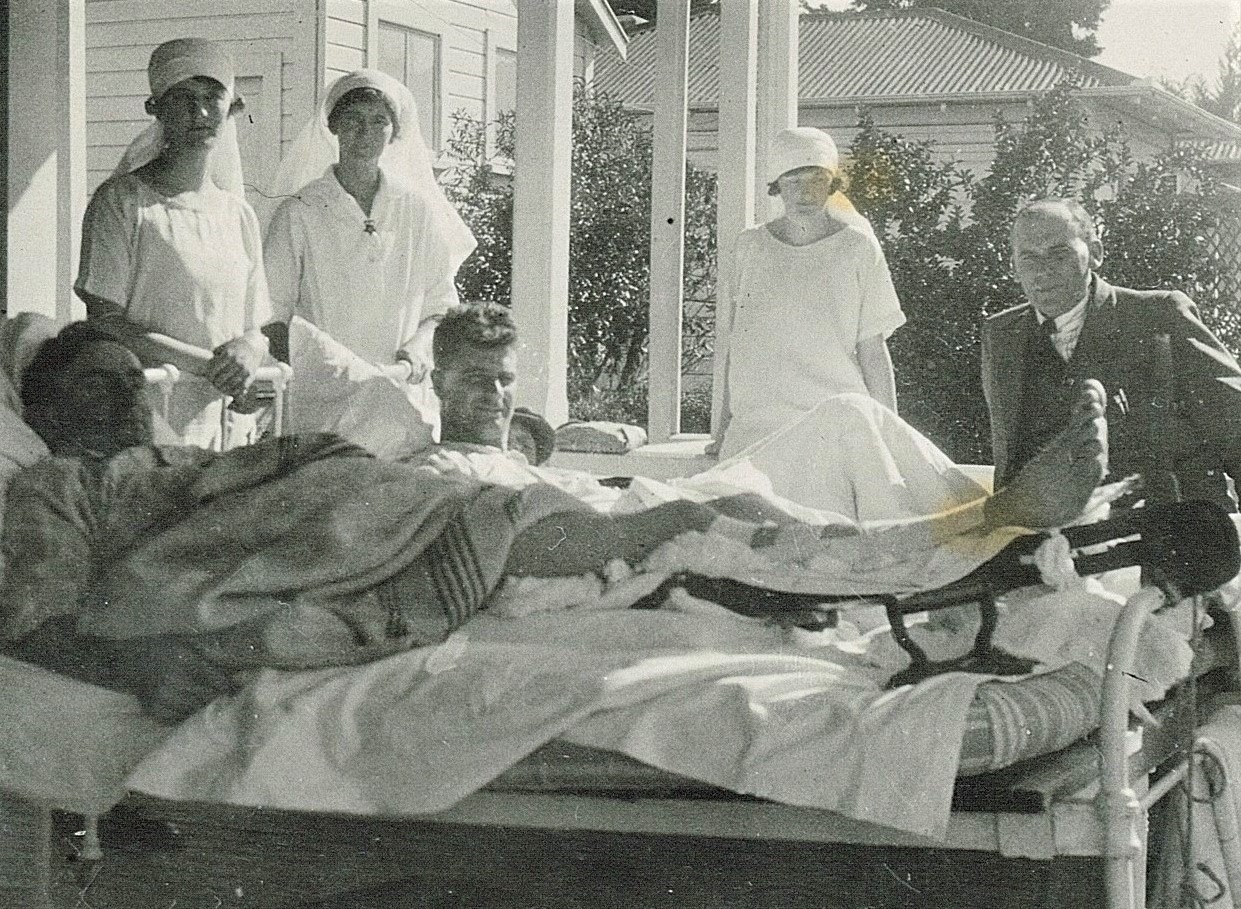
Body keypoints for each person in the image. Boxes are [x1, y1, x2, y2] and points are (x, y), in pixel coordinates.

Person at [1, 320, 1107, 722]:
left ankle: (976, 539)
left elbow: (279, 486)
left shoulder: (182, 455)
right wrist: (141, 668)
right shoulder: (53, 490)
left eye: (133, 384)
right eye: (96, 392)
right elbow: (35, 621)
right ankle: (977, 538)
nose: (129, 401)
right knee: (680, 527)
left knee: (698, 520)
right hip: (381, 533)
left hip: (374, 511)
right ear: (42, 415)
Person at [415, 303, 987, 525]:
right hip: (664, 514)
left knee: (851, 413)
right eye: (475, 380)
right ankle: (964, 544)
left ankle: (988, 522)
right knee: (848, 421)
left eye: (505, 380)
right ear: (438, 382)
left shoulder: (503, 457)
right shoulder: (444, 472)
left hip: (662, 497)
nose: (495, 394)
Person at [75, 37, 274, 449]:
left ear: (231, 106)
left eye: (211, 97)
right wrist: (209, 366)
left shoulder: (239, 216)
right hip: (147, 418)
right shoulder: (123, 202)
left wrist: (250, 351)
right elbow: (106, 321)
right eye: (182, 97)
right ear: (155, 108)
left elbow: (256, 326)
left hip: (223, 426)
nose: (199, 112)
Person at [982, 197, 1241, 510]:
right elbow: (1010, 458)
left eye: (1058, 254)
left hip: (1165, 535)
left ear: (1095, 253)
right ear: (1014, 266)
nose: (1042, 272)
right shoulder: (1001, 334)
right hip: (1053, 543)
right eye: (1028, 258)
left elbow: (1235, 426)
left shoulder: (1158, 314)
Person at [263, 69, 476, 420]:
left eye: (380, 121)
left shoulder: (416, 210)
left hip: (401, 393)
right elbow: (273, 315)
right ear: (333, 126)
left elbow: (440, 305)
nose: (366, 131)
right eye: (353, 119)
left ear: (394, 133)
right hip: (326, 402)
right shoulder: (299, 211)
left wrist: (419, 348)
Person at [713, 127, 905, 459]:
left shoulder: (858, 248)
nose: (805, 193)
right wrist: (722, 429)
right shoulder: (750, 247)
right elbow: (739, 346)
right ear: (777, 186)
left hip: (833, 429)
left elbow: (873, 350)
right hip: (756, 431)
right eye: (793, 181)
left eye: (816, 180)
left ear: (832, 184)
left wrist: (891, 434)